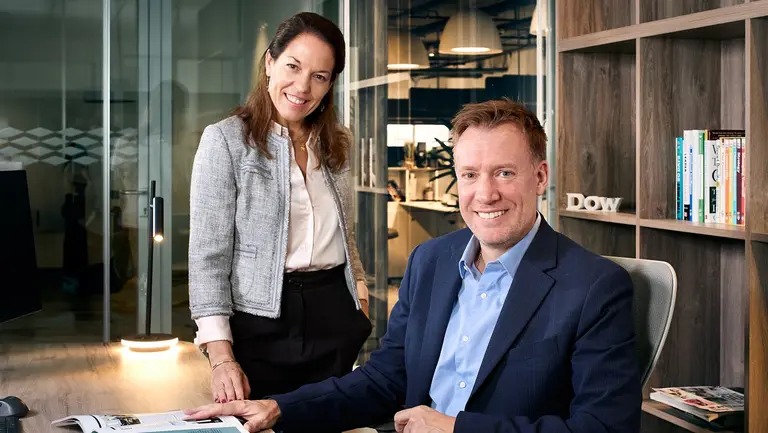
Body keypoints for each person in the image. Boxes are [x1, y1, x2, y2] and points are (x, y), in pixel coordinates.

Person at [184, 99, 642, 433]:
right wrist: (278, 408)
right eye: (470, 175)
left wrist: (456, 429)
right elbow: (387, 378)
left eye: (504, 172)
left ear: (539, 177)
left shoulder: (595, 287)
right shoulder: (432, 261)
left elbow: (605, 428)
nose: (485, 194)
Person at [187, 12, 372, 405]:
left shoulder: (338, 143)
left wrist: (360, 297)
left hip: (334, 318)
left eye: (319, 76)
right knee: (257, 423)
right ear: (270, 63)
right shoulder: (225, 141)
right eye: (293, 66)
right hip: (258, 325)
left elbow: (345, 234)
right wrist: (221, 358)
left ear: (330, 84)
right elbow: (208, 257)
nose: (303, 86)